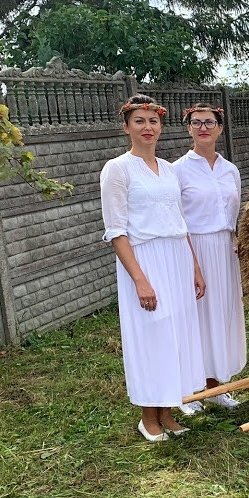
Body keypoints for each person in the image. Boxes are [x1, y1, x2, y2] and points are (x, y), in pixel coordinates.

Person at [100, 94, 206, 441]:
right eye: (140, 121)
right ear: (126, 127)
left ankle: (168, 413)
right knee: (152, 335)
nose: (148, 127)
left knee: (176, 333)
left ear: (161, 126)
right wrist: (140, 280)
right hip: (145, 258)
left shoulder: (169, 170)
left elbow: (180, 222)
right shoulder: (117, 169)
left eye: (153, 121)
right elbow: (116, 230)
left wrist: (194, 267)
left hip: (176, 256)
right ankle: (149, 418)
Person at [173, 103, 246, 413]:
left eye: (209, 122)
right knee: (195, 319)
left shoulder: (231, 170)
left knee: (222, 316)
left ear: (220, 128)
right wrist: (192, 266)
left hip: (224, 250)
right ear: (188, 128)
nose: (203, 127)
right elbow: (176, 221)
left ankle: (217, 387)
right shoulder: (176, 170)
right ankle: (188, 392)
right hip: (194, 249)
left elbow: (235, 214)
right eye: (196, 122)